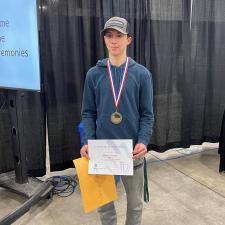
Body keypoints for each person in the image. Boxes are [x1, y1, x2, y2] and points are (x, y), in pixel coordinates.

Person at [80, 16, 154, 225]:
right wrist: (88, 141)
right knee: (104, 204)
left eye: (119, 36)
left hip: (131, 152)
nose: (114, 41)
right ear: (104, 40)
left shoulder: (142, 75)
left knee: (135, 204)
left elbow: (147, 114)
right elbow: (88, 112)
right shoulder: (94, 75)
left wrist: (143, 141)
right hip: (102, 149)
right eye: (109, 36)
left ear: (128, 40)